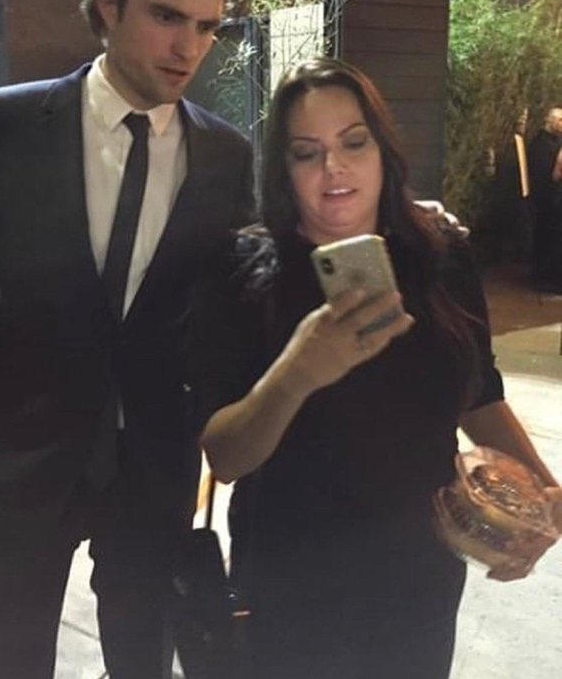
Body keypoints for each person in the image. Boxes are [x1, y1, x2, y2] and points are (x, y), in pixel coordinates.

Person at [0, 0, 254, 678]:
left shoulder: (225, 156)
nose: (189, 47)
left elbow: (243, 294)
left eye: (207, 26)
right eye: (167, 16)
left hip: (154, 471)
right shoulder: (5, 127)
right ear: (108, 4)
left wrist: (400, 229)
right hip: (19, 459)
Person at [190, 58, 562, 679]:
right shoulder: (247, 272)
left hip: (420, 580)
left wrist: (545, 499)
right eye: (306, 153)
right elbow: (227, 456)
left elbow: (480, 392)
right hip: (292, 588)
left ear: (383, 150)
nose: (333, 167)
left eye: (353, 143)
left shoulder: (442, 255)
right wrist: (298, 370)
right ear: (283, 170)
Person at [527, 107, 562, 292]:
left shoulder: (552, 142)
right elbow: (547, 176)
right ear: (551, 121)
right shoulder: (541, 144)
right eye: (560, 120)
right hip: (548, 201)